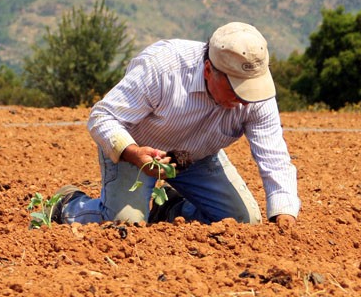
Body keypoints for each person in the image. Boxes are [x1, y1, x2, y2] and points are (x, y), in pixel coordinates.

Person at [53, 22, 299, 229]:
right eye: (236, 89)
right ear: (208, 70)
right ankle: (68, 205)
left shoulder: (257, 93)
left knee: (243, 221)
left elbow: (274, 156)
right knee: (126, 224)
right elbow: (103, 117)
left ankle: (171, 208)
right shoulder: (162, 67)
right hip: (137, 151)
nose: (245, 98)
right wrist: (134, 153)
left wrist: (284, 212)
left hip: (196, 157)